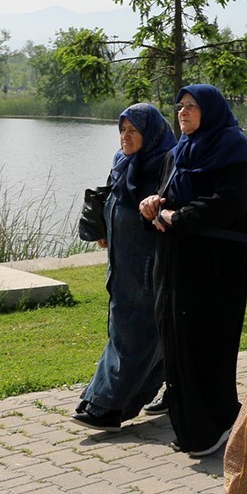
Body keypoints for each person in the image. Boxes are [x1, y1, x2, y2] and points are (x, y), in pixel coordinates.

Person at [139, 84, 247, 457]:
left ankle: (218, 424)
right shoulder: (179, 152)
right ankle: (192, 428)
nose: (183, 112)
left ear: (211, 109)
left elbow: (231, 202)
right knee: (177, 341)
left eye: (191, 106)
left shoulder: (232, 146)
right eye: (179, 107)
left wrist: (179, 216)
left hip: (218, 264)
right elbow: (166, 202)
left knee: (209, 343)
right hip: (177, 260)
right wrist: (152, 206)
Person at [73, 103, 176, 430]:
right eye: (122, 129)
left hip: (146, 266)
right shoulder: (123, 162)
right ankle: (157, 391)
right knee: (147, 333)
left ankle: (105, 405)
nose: (125, 137)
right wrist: (105, 228)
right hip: (121, 263)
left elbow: (170, 213)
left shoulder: (165, 164)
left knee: (130, 331)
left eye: (133, 130)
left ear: (151, 134)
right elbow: (115, 199)